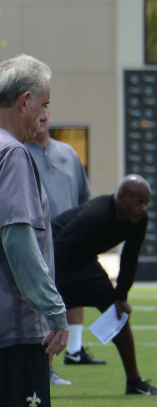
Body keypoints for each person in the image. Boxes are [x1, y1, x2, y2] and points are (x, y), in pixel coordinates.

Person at [0, 53, 69, 407]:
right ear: (24, 102)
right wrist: (54, 311)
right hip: (10, 321)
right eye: (43, 104)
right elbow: (20, 242)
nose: (44, 114)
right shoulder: (14, 156)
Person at [52, 174, 157, 395]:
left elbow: (130, 257)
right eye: (138, 203)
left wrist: (122, 295)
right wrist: (46, 289)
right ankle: (30, 376)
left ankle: (134, 382)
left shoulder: (139, 219)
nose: (143, 208)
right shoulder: (94, 215)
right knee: (36, 317)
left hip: (84, 262)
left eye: (146, 204)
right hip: (56, 256)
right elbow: (60, 247)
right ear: (121, 197)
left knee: (117, 312)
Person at [25, 106, 98, 386]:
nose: (41, 120)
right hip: (35, 240)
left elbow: (84, 199)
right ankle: (43, 368)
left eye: (45, 115)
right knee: (41, 304)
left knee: (72, 294)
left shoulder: (68, 153)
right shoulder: (17, 152)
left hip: (71, 240)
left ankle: (75, 351)